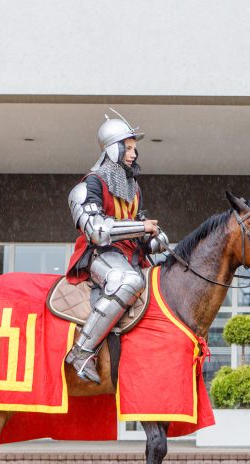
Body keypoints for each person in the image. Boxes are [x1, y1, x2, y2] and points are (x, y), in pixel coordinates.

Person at [64, 111, 169, 383]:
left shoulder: (133, 187)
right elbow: (97, 232)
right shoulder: (89, 184)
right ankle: (82, 351)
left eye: (135, 149)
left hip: (131, 254)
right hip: (101, 255)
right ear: (113, 148)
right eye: (129, 148)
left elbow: (137, 225)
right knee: (127, 282)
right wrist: (141, 228)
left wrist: (154, 238)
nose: (133, 154)